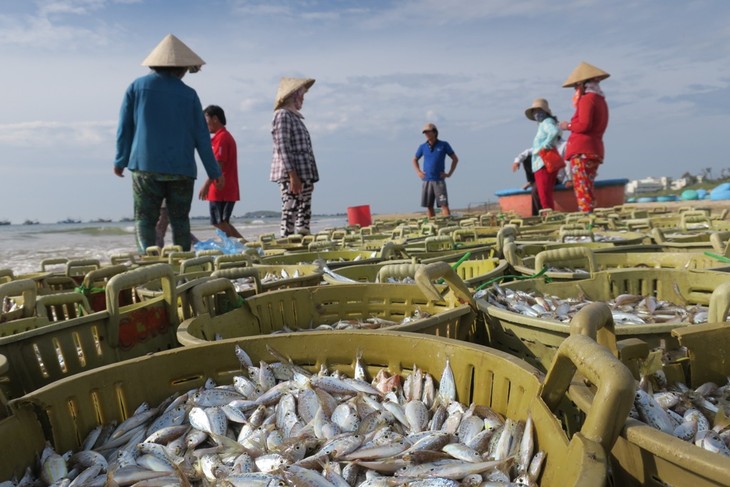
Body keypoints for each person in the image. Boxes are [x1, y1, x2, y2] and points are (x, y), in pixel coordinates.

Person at [113, 34, 223, 252]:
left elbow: (125, 128)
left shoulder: (136, 87)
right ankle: (181, 265)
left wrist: (120, 160)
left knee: (144, 218)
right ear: (180, 68)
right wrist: (214, 172)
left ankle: (150, 262)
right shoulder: (190, 94)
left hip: (145, 166)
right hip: (181, 169)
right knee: (180, 220)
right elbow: (202, 137)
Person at [558, 61, 610, 213]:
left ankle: (588, 222)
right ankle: (589, 217)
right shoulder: (601, 100)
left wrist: (567, 126)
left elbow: (584, 125)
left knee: (582, 189)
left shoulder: (587, 99)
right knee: (587, 187)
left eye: (576, 86)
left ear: (582, 84)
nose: (575, 90)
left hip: (583, 150)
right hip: (594, 148)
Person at [270, 77, 318, 237]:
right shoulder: (282, 115)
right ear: (293, 96)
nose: (303, 99)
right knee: (290, 209)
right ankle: (287, 243)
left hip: (302, 174)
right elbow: (283, 146)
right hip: (291, 174)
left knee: (303, 215)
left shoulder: (295, 117)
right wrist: (293, 176)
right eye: (301, 95)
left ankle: (302, 243)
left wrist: (309, 179)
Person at [198, 105, 244, 240]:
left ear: (215, 119)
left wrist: (206, 185)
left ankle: (244, 246)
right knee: (222, 222)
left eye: (206, 120)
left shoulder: (222, 137)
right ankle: (245, 245)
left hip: (222, 188)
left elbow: (218, 164)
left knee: (219, 222)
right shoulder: (219, 137)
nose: (205, 124)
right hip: (223, 187)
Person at [412, 123, 459, 218]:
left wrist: (449, 173)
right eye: (425, 132)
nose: (426, 134)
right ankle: (432, 226)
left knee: (444, 204)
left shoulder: (444, 145)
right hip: (427, 180)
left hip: (439, 180)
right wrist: (419, 172)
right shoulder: (422, 147)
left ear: (434, 132)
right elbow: (414, 159)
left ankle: (447, 225)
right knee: (429, 206)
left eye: (428, 132)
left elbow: (455, 159)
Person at [525, 98, 562, 211]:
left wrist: (544, 146)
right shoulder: (543, 125)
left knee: (544, 195)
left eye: (538, 111)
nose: (536, 114)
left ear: (544, 111)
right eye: (534, 111)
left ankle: (548, 216)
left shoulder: (547, 122)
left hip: (543, 164)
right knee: (545, 194)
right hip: (542, 163)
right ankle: (549, 214)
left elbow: (554, 132)